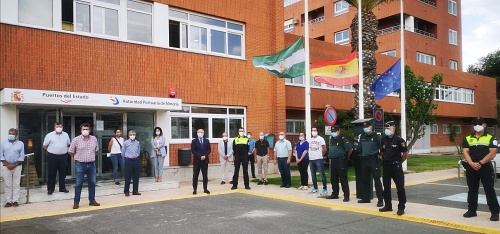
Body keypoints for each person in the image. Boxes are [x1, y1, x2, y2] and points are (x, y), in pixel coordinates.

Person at [462, 117, 499, 222]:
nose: (477, 125)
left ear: (484, 125)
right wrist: (471, 164)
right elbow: (465, 152)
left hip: (485, 167)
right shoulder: (468, 138)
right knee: (472, 190)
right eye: (475, 123)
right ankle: (472, 210)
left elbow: (493, 153)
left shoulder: (491, 137)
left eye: (479, 123)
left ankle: (495, 212)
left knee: (489, 189)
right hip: (471, 167)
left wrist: (480, 163)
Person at [379, 121, 408, 215]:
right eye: (385, 128)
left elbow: (405, 154)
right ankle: (388, 205)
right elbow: (382, 152)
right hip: (386, 166)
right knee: (386, 187)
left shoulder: (400, 140)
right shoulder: (383, 140)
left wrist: (399, 162)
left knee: (400, 187)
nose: (386, 130)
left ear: (393, 129)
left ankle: (401, 207)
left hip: (396, 166)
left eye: (388, 128)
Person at [68, 123, 100, 209]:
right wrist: (77, 158)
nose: (85, 131)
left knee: (92, 183)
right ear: (81, 130)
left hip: (91, 164)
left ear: (90, 130)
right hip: (80, 164)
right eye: (83, 129)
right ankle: (76, 202)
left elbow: (96, 150)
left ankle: (92, 200)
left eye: (87, 129)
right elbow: (71, 151)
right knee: (78, 184)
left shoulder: (94, 139)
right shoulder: (76, 140)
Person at [357, 119, 384, 207]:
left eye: (367, 127)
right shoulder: (362, 136)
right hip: (364, 160)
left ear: (371, 127)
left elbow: (382, 148)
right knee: (365, 180)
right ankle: (366, 198)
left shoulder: (376, 136)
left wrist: (379, 156)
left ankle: (380, 200)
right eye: (364, 127)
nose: (365, 128)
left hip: (373, 160)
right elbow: (360, 148)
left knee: (377, 180)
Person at [43, 122, 70, 194]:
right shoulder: (49, 135)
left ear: (62, 127)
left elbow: (68, 144)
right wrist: (51, 150)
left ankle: (62, 187)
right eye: (57, 126)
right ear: (54, 127)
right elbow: (45, 145)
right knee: (52, 173)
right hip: (52, 156)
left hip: (63, 156)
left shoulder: (66, 135)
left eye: (60, 126)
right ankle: (50, 189)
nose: (59, 128)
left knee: (63, 173)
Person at [326, 125, 352, 202]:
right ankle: (335, 194)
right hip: (333, 161)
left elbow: (349, 149)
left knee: (343, 179)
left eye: (335, 131)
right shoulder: (332, 139)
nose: (334, 133)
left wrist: (346, 157)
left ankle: (346, 196)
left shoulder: (343, 139)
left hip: (341, 161)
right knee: (333, 178)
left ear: (339, 131)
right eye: (332, 131)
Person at [1, 128, 25, 207]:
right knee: (7, 185)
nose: (10, 135)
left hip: (17, 166)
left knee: (16, 184)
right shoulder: (3, 143)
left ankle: (15, 201)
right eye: (9, 133)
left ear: (16, 135)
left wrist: (14, 164)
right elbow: (1, 155)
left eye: (12, 134)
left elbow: (21, 156)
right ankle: (8, 201)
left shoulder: (20, 143)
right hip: (6, 166)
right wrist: (7, 164)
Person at [308, 127, 328, 195]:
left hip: (318, 158)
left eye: (314, 130)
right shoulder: (310, 140)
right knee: (313, 175)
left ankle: (324, 188)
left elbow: (324, 148)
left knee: (322, 174)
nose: (313, 131)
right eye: (312, 130)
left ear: (317, 131)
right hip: (311, 159)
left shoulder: (320, 139)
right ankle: (315, 188)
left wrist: (322, 154)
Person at [122, 130, 141, 196]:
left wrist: (136, 156)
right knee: (128, 176)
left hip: (136, 160)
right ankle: (126, 191)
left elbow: (138, 151)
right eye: (131, 134)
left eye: (133, 134)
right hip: (128, 160)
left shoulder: (137, 143)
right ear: (128, 135)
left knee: (136, 176)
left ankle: (135, 191)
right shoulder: (126, 143)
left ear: (135, 135)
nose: (132, 136)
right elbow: (123, 152)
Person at [191, 129, 211, 195]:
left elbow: (209, 150)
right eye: (199, 132)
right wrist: (200, 156)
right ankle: (195, 189)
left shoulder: (206, 141)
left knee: (205, 175)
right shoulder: (194, 141)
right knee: (195, 175)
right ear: (197, 133)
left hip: (205, 160)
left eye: (201, 132)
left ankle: (205, 188)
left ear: (203, 133)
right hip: (197, 160)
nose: (200, 133)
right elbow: (193, 150)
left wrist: (204, 156)